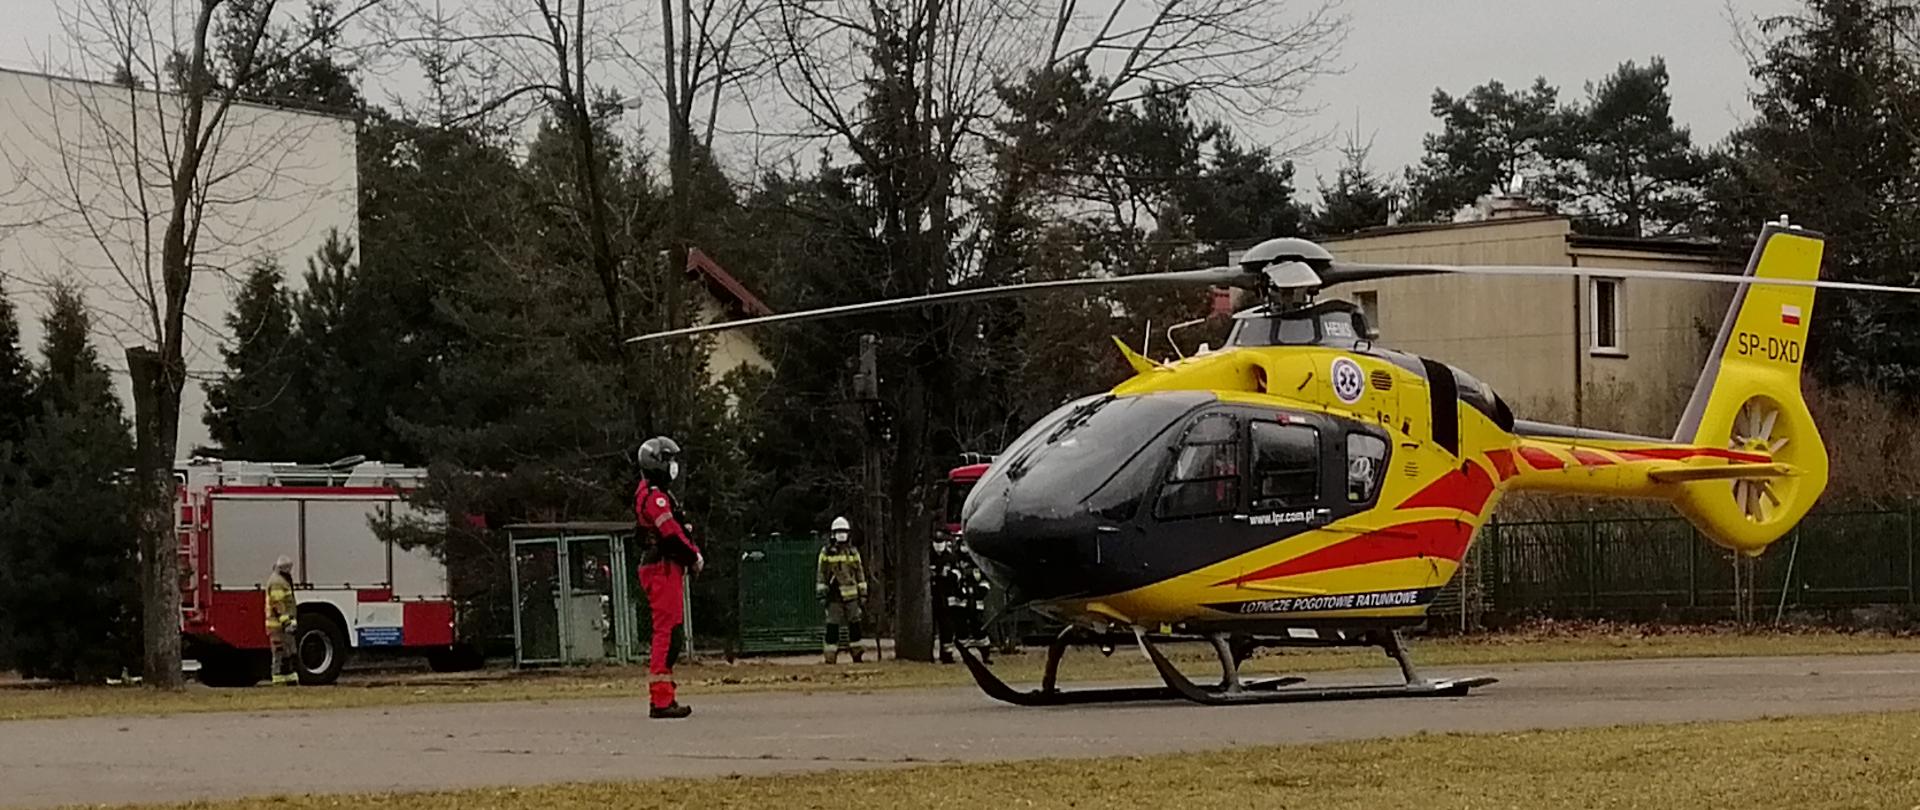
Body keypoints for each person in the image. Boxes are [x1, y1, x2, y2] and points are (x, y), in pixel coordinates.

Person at [634, 436, 703, 719]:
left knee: (672, 633)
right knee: (667, 634)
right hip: (662, 568)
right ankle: (660, 700)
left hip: (664, 567)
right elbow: (672, 535)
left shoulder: (653, 493)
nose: (673, 467)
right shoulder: (655, 497)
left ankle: (665, 695)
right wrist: (693, 557)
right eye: (669, 461)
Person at [816, 516, 869, 663]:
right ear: (833, 534)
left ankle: (857, 655)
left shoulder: (853, 552)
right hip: (834, 596)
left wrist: (863, 593)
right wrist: (821, 593)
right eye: (838, 532)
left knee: (855, 626)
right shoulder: (826, 552)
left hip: (852, 596)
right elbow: (821, 573)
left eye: (844, 532)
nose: (841, 535)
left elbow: (860, 573)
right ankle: (830, 657)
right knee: (832, 627)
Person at [264, 556, 298, 686]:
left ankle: (288, 677)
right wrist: (286, 621)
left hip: (280, 624)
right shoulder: (278, 582)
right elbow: (278, 604)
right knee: (279, 651)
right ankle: (278, 677)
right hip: (278, 625)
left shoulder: (280, 580)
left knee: (287, 651)